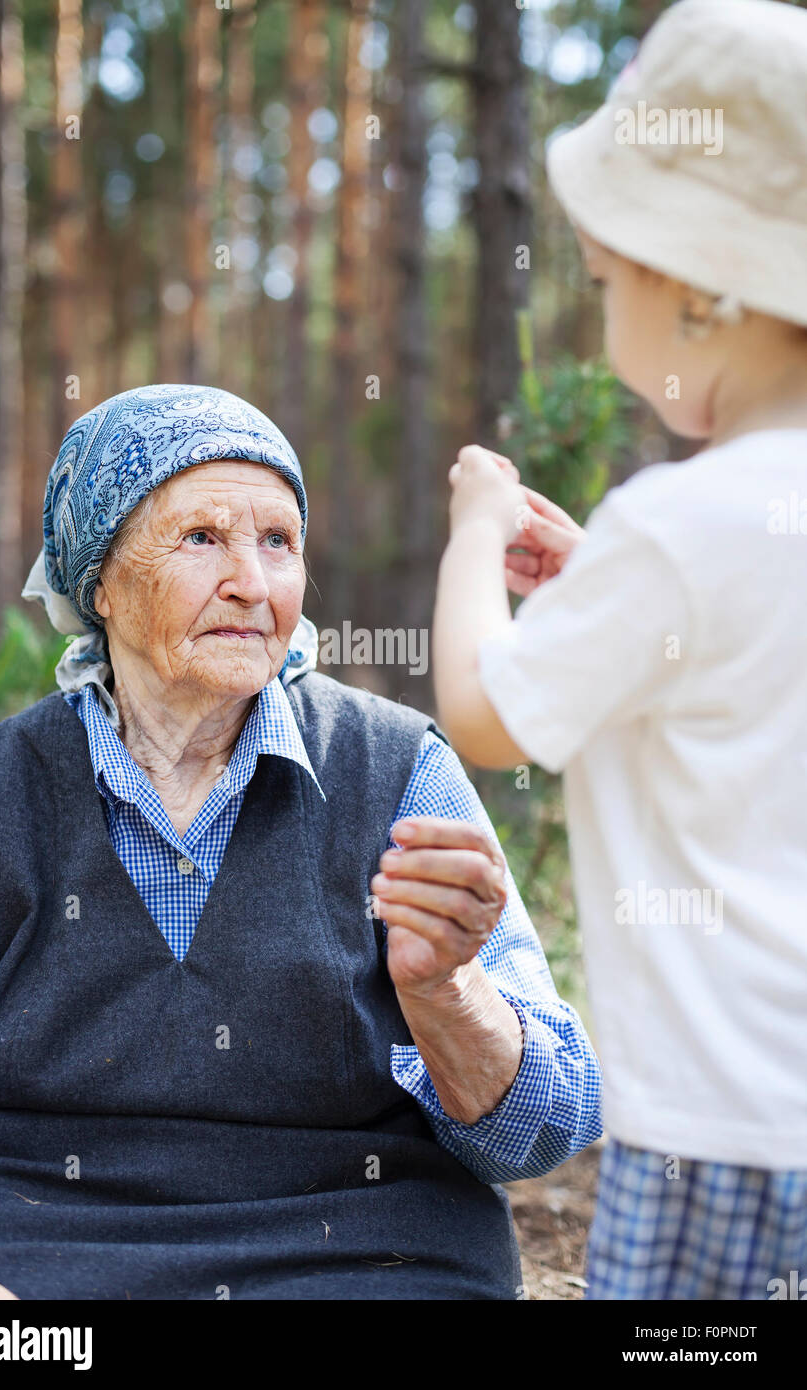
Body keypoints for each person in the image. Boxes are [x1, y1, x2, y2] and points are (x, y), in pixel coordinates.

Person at [0, 383, 601, 1301]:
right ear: (98, 578)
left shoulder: (396, 770)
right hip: (43, 1254)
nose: (252, 584)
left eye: (279, 542)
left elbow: (543, 1131)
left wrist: (446, 992)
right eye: (203, 538)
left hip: (357, 1260)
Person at [431, 0, 807, 1300]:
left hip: (718, 1127)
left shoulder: (675, 521)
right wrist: (606, 584)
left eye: (604, 285)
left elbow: (482, 713)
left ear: (699, 290)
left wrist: (478, 533)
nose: (601, 320)